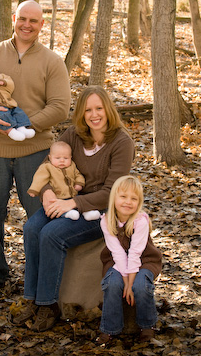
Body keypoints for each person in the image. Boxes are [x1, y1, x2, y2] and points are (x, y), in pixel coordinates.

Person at [0, 0, 71, 294]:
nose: (27, 25)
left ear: (41, 25)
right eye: (22, 18)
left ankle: (41, 275)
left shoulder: (52, 61)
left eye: (33, 20)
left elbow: (60, 107)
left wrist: (23, 126)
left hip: (35, 150)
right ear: (13, 19)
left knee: (41, 214)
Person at [12, 85, 135, 332]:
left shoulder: (122, 142)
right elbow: (48, 165)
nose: (94, 114)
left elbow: (112, 192)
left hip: (101, 210)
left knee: (51, 234)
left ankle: (48, 305)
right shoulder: (73, 135)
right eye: (88, 109)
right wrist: (47, 191)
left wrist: (72, 203)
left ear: (108, 110)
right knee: (32, 228)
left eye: (99, 108)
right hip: (64, 201)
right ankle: (32, 297)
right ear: (81, 113)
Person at [97, 175, 162, 345]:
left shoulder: (140, 221)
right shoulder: (107, 220)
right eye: (123, 196)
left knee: (140, 285)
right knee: (112, 283)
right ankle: (110, 329)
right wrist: (125, 283)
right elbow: (117, 252)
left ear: (139, 202)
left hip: (144, 260)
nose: (128, 202)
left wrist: (130, 283)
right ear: (114, 198)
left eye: (134, 198)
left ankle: (147, 325)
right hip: (116, 261)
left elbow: (135, 253)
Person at [28, 141, 101, 221]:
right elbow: (40, 178)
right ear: (50, 157)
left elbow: (78, 175)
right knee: (55, 207)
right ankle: (67, 214)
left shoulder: (72, 166)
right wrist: (34, 190)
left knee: (81, 201)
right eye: (58, 158)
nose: (62, 161)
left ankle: (88, 213)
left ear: (71, 157)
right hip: (58, 198)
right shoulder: (47, 167)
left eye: (66, 158)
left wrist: (79, 183)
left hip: (73, 196)